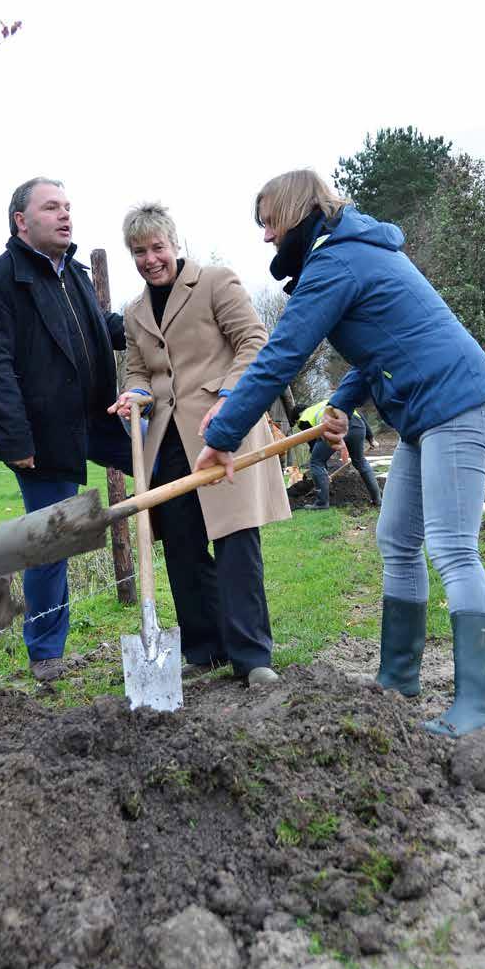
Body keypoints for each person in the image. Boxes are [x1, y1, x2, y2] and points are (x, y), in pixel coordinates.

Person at [194, 169, 485, 739]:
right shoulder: (350, 253)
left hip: (457, 403)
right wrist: (340, 403)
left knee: (453, 549)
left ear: (295, 212)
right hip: (426, 410)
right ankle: (398, 677)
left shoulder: (336, 261)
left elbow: (283, 354)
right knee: (396, 538)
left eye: (269, 222)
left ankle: (477, 709)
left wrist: (222, 436)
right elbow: (378, 349)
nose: (266, 236)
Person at [108, 202, 290, 687]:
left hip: (222, 432)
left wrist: (230, 398)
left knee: (234, 543)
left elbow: (254, 341)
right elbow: (140, 370)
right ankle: (205, 649)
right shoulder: (135, 313)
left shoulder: (216, 282)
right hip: (167, 442)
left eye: (157, 247)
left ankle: (252, 658)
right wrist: (135, 394)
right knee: (183, 549)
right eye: (139, 252)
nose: (150, 259)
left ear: (174, 244)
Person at [0, 177, 131, 684]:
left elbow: (101, 331)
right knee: (52, 539)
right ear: (22, 221)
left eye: (68, 207)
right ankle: (45, 653)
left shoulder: (74, 274)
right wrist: (16, 439)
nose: (65, 216)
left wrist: (151, 322)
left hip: (97, 421)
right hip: (42, 436)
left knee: (167, 483)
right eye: (52, 208)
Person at [294, 400, 381, 508]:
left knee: (316, 462)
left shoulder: (303, 419)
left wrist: (323, 473)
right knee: (360, 462)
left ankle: (322, 503)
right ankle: (377, 500)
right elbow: (359, 415)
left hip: (334, 427)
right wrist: (371, 438)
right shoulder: (330, 402)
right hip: (357, 426)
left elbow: (315, 449)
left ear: (296, 418)